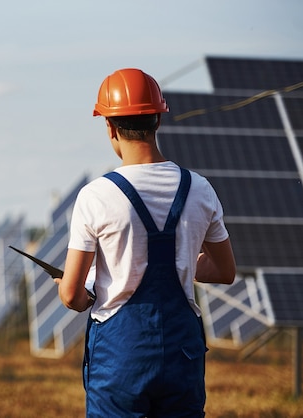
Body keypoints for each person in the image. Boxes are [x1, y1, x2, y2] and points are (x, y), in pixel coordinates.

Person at [53, 68, 236, 417]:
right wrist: (183, 263)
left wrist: (80, 288)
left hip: (120, 358)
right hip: (183, 353)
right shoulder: (200, 189)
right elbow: (225, 271)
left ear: (109, 126)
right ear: (158, 121)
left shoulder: (97, 195)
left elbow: (72, 296)